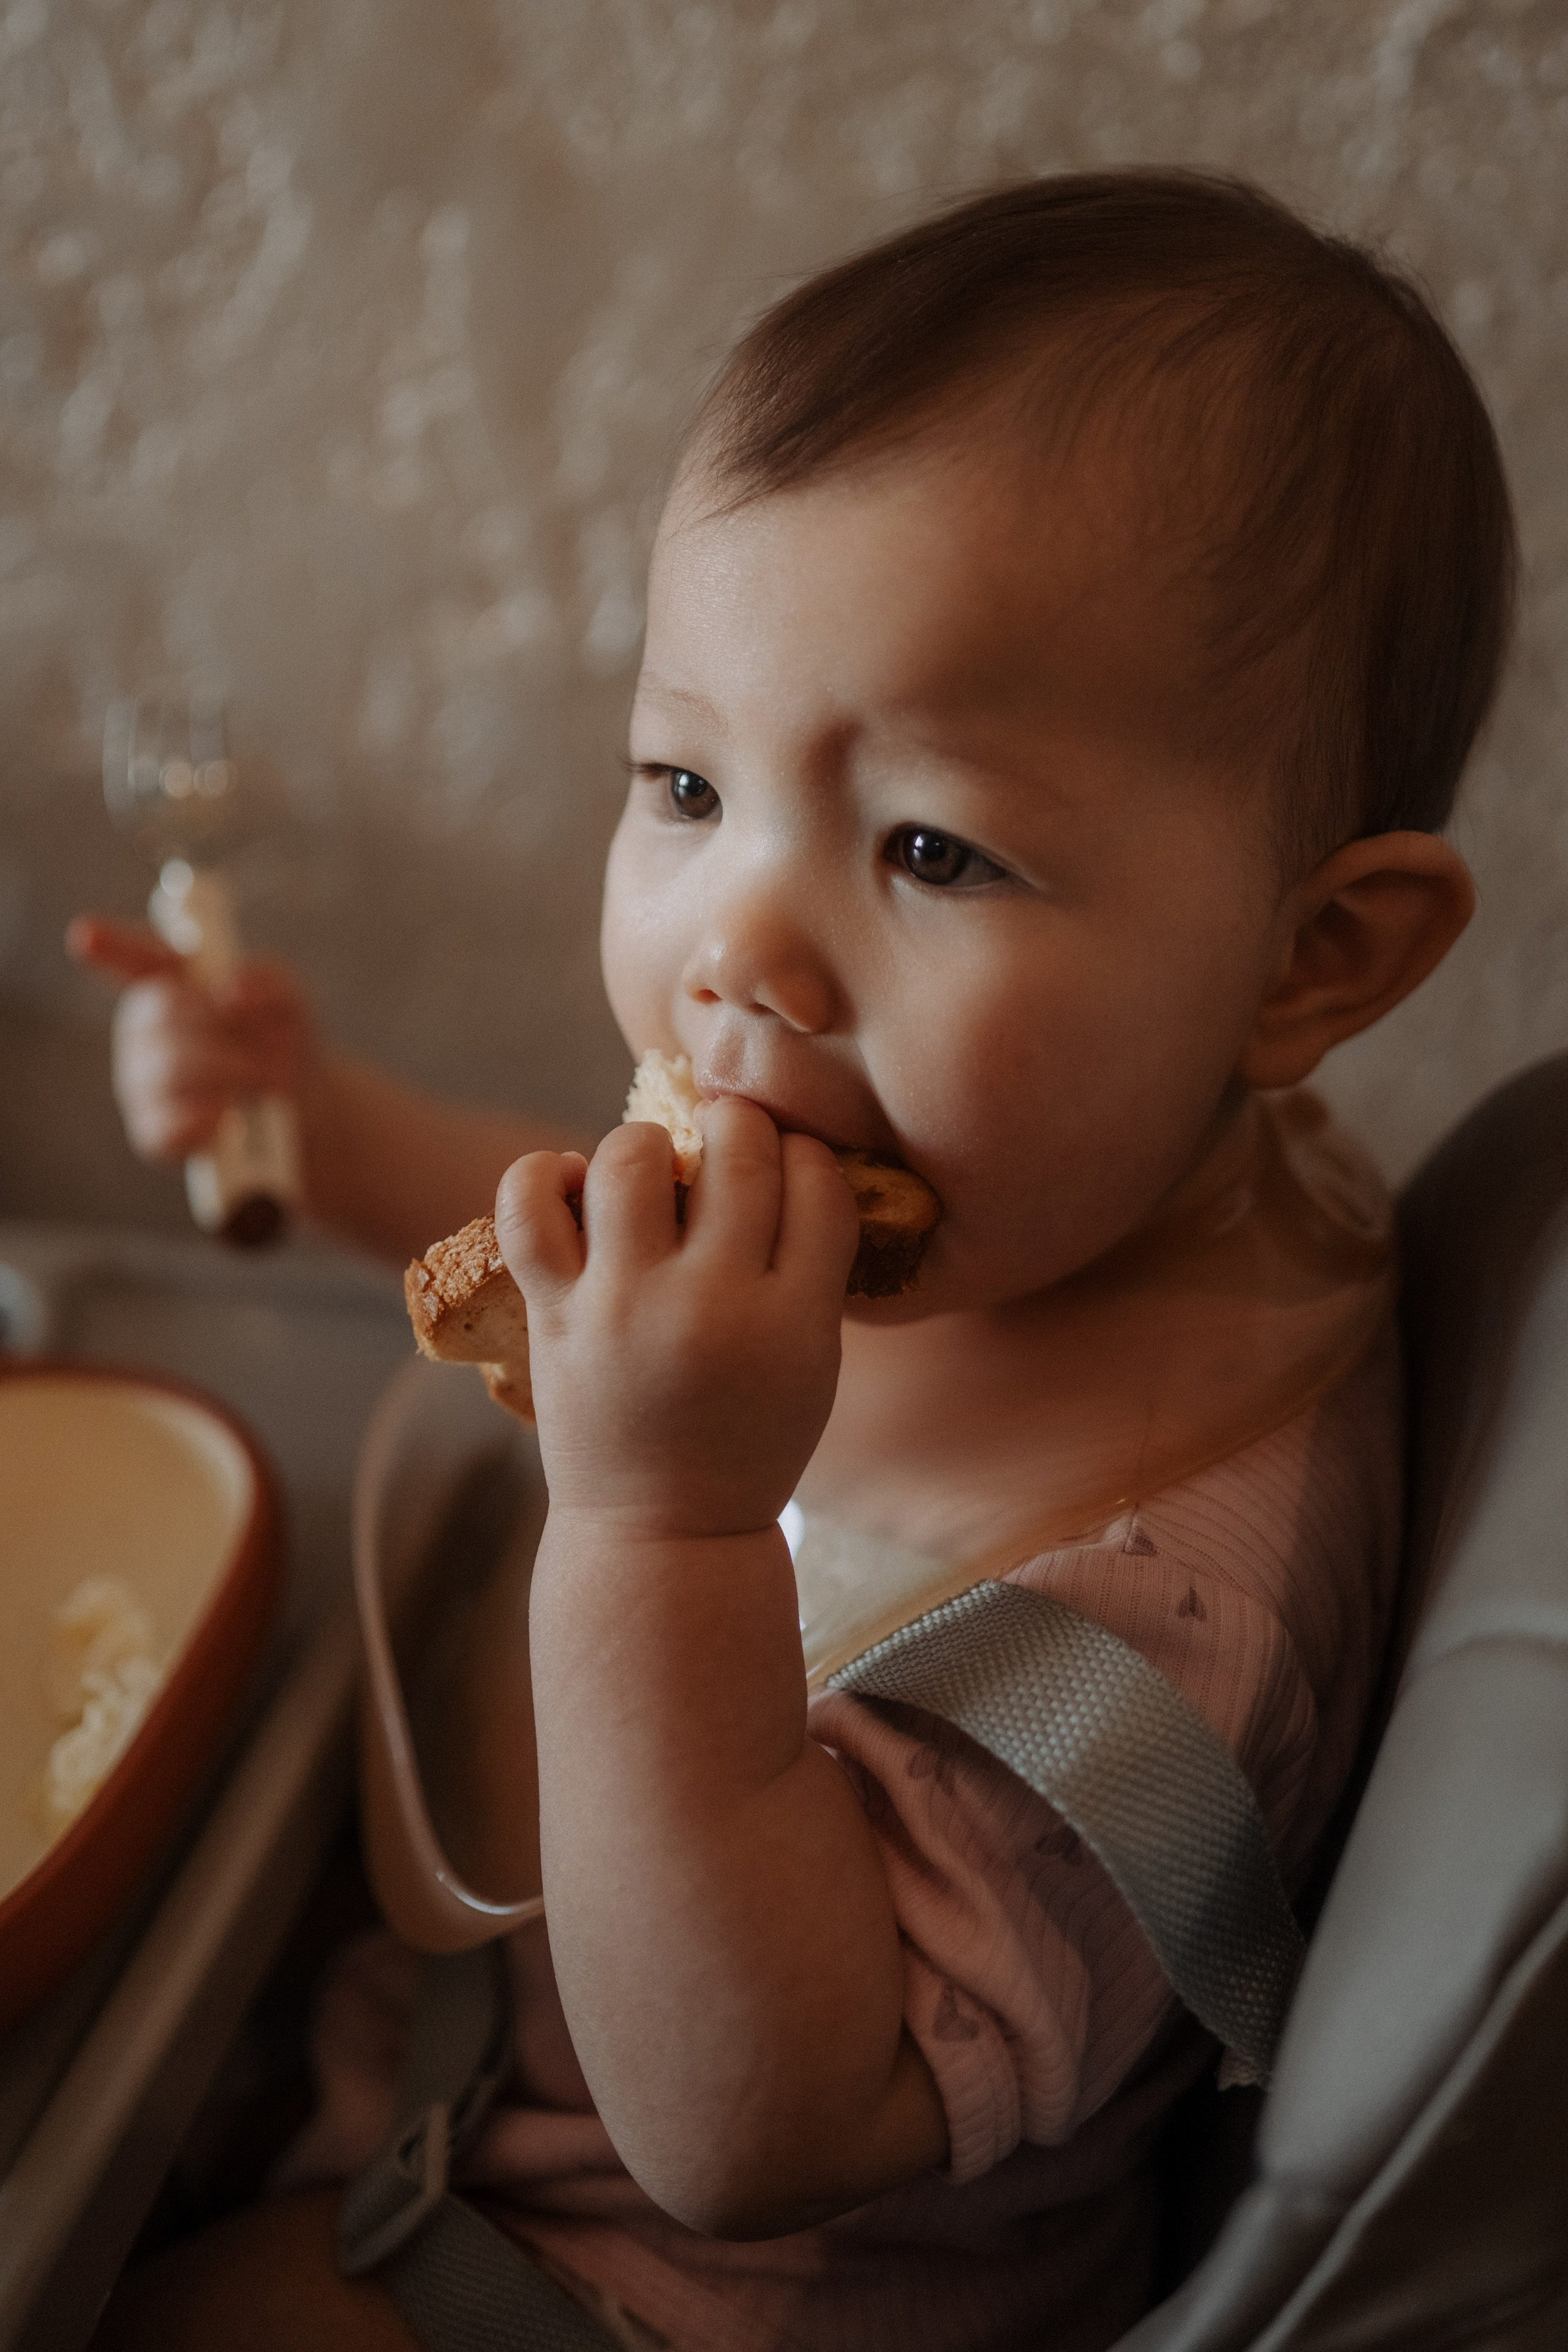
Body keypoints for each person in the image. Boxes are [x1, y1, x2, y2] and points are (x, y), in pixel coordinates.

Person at [83, 171, 1514, 2352]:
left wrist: (666, 1523)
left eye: (929, 843)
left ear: (1312, 959)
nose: (737, 943)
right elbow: (619, 1244)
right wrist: (340, 1124)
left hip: (603, 2276)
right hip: (426, 2024)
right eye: (681, 782)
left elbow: (743, 2126)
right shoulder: (1074, 1165)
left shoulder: (1141, 1632)